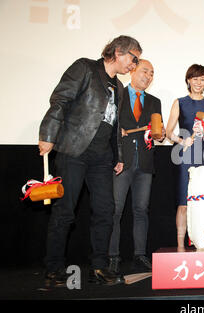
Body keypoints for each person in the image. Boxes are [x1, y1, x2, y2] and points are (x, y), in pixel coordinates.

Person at [38, 35, 142, 286]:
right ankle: (54, 269)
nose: (134, 65)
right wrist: (48, 134)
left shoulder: (118, 86)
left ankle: (99, 267)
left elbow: (116, 125)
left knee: (106, 211)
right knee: (64, 212)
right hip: (74, 150)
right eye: (133, 58)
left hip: (101, 157)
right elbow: (60, 99)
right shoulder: (84, 68)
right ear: (118, 52)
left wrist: (118, 156)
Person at [108, 59, 165, 274]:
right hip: (122, 161)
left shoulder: (154, 101)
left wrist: (160, 135)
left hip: (145, 163)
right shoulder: (118, 95)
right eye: (144, 71)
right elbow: (109, 124)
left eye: (152, 73)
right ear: (132, 71)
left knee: (141, 210)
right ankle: (112, 256)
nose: (148, 76)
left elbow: (156, 132)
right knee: (115, 210)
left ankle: (139, 255)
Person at [166, 64, 204, 250]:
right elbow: (168, 132)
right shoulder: (179, 102)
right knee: (184, 202)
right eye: (195, 78)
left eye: (202, 79)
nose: (199, 82)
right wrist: (182, 141)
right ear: (188, 80)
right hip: (185, 156)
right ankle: (180, 245)